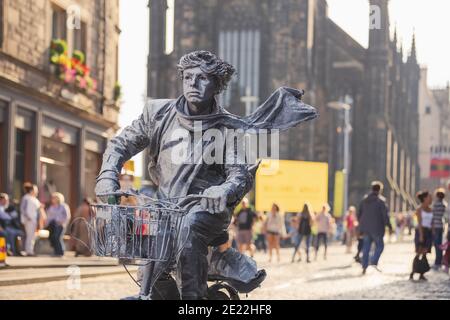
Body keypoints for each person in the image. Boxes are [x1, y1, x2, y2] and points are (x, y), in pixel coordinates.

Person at [95, 50, 318, 299]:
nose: (193, 84)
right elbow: (120, 144)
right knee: (152, 268)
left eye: (202, 78)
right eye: (188, 77)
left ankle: (195, 300)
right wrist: (107, 175)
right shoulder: (157, 114)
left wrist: (222, 190)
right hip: (167, 207)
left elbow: (239, 175)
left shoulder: (228, 127)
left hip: (206, 208)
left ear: (216, 85)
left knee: (188, 230)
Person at [358, 181, 393, 275]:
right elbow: (385, 215)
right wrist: (389, 226)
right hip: (377, 228)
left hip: (365, 228)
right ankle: (373, 261)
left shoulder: (364, 200)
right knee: (380, 246)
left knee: (366, 248)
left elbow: (359, 214)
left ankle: (364, 266)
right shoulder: (381, 201)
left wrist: (361, 227)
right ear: (380, 190)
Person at [410, 191, 433, 280]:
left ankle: (422, 273)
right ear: (424, 198)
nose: (430, 199)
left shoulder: (430, 209)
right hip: (421, 231)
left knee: (425, 252)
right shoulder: (419, 209)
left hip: (428, 232)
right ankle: (413, 271)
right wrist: (421, 235)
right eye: (429, 197)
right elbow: (419, 223)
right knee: (419, 251)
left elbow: (431, 221)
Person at [20, 183, 45, 256]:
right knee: (30, 235)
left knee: (32, 235)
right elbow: (23, 209)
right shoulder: (26, 197)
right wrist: (28, 217)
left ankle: (30, 250)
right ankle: (29, 251)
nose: (37, 191)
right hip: (29, 220)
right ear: (31, 190)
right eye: (35, 189)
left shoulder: (34, 199)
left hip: (34, 220)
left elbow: (39, 208)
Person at [45, 192, 71, 257]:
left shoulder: (63, 206)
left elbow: (67, 216)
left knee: (58, 237)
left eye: (54, 198)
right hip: (52, 225)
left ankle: (61, 251)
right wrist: (46, 224)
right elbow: (48, 216)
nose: (52, 199)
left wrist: (63, 222)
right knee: (53, 238)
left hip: (60, 225)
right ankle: (56, 251)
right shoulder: (51, 207)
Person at [431, 188, 447, 269]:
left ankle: (437, 261)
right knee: (441, 244)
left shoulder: (435, 204)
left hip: (436, 226)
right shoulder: (444, 204)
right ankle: (440, 260)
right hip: (441, 226)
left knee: (437, 244)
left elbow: (432, 216)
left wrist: (432, 227)